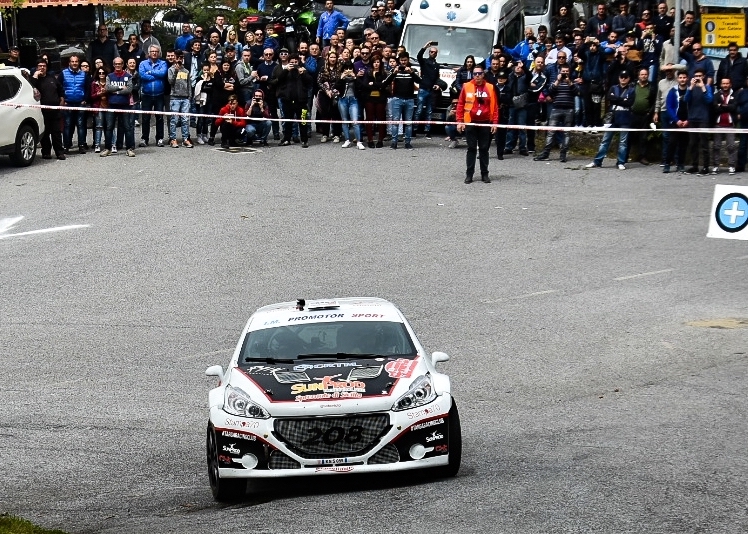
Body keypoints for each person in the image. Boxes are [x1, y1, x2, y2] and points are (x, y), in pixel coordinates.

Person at [456, 65, 498, 184]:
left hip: (485, 123)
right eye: (475, 74)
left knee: (484, 149)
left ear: (483, 74)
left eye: (479, 73)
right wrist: (459, 121)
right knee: (471, 148)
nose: (477, 76)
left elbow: (495, 107)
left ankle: (485, 174)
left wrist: (494, 123)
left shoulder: (490, 87)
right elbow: (460, 105)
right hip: (470, 122)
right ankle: (469, 174)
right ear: (472, 75)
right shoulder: (466, 86)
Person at [585, 70, 635, 170]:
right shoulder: (613, 87)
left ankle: (621, 162)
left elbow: (629, 103)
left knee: (623, 143)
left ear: (629, 78)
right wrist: (622, 100)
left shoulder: (632, 90)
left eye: (626, 77)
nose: (623, 78)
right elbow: (609, 97)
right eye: (621, 76)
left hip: (625, 119)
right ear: (619, 78)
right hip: (613, 119)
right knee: (605, 141)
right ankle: (597, 161)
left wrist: (616, 99)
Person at [533, 63, 578, 163]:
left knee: (566, 133)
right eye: (563, 72)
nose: (565, 73)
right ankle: (545, 153)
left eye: (567, 72)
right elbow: (549, 91)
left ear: (569, 72)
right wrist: (557, 81)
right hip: (556, 108)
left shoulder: (572, 82)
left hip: (569, 110)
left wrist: (569, 83)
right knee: (550, 132)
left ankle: (563, 154)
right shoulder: (555, 82)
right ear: (560, 72)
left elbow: (576, 92)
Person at [383, 52, 421, 150]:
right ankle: (394, 142)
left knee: (408, 123)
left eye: (405, 60)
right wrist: (393, 73)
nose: (403, 62)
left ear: (408, 60)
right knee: (395, 121)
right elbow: (385, 82)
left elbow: (420, 81)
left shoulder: (413, 70)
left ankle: (408, 142)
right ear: (399, 61)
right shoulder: (394, 70)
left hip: (410, 99)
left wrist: (411, 72)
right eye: (401, 60)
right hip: (397, 99)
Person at [31, 58, 66, 160]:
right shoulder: (34, 80)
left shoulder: (52, 78)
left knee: (56, 133)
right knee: (45, 134)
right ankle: (46, 152)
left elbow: (60, 89)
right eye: (40, 66)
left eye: (44, 66)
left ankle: (59, 152)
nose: (42, 68)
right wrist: (35, 76)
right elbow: (31, 88)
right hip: (42, 112)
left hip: (55, 111)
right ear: (37, 68)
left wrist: (62, 99)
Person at [277, 54, 313, 148]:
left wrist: (304, 73)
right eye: (292, 62)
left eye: (295, 62)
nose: (294, 64)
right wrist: (285, 70)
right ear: (289, 62)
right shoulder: (285, 71)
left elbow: (310, 82)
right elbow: (279, 80)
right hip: (287, 101)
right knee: (288, 121)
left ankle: (304, 140)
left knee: (303, 121)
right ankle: (287, 139)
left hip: (301, 102)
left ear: (299, 62)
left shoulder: (303, 71)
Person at [684, 68, 713, 175]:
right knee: (693, 143)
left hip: (703, 119)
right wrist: (691, 87)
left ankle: (706, 167)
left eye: (700, 76)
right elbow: (686, 100)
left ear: (704, 77)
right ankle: (695, 166)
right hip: (692, 118)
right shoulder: (690, 87)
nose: (698, 78)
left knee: (704, 144)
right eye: (696, 76)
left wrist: (703, 88)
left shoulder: (708, 87)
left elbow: (709, 100)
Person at [59, 55, 90, 154]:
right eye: (72, 61)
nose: (74, 63)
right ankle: (66, 146)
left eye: (76, 61)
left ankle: (81, 145)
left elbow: (87, 88)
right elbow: (59, 87)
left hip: (80, 102)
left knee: (81, 125)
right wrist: (63, 99)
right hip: (68, 103)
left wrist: (85, 99)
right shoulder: (63, 73)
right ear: (69, 63)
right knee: (67, 125)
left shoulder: (83, 74)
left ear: (78, 63)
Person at [138, 45, 168, 147]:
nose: (154, 53)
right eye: (152, 51)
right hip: (147, 95)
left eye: (156, 51)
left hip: (159, 95)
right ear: (149, 53)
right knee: (145, 118)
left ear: (159, 52)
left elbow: (163, 73)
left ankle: (159, 138)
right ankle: (144, 138)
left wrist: (150, 72)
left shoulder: (163, 63)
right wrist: (156, 76)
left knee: (159, 117)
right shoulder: (143, 63)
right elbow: (142, 75)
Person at [105, 57, 135, 157]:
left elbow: (129, 90)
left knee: (127, 127)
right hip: (112, 105)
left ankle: (129, 148)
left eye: (119, 64)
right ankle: (107, 148)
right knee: (109, 127)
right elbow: (108, 88)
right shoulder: (109, 76)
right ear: (113, 65)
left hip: (125, 105)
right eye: (116, 64)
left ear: (123, 65)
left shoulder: (128, 76)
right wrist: (121, 87)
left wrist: (116, 91)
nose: (118, 66)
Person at [627, 67, 656, 165]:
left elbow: (654, 102)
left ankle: (642, 157)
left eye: (645, 74)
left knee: (643, 137)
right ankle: (625, 156)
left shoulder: (651, 87)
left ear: (648, 75)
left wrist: (650, 112)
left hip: (645, 116)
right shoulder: (632, 85)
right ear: (638, 76)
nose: (644, 76)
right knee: (629, 136)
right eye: (642, 74)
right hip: (633, 114)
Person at [663, 71, 690, 173]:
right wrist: (676, 120)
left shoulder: (690, 90)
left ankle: (681, 164)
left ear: (687, 79)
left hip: (687, 122)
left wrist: (688, 120)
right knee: (672, 143)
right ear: (677, 79)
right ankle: (667, 164)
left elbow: (692, 106)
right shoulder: (672, 91)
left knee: (683, 144)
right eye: (680, 77)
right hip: (675, 122)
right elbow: (669, 107)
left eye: (684, 77)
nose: (682, 79)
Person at [335, 61, 365, 150]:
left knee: (355, 121)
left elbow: (362, 87)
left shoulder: (355, 78)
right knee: (344, 121)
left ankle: (359, 141)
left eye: (350, 68)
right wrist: (341, 78)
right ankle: (347, 140)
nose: (348, 70)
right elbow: (336, 87)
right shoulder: (341, 78)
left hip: (353, 100)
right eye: (346, 69)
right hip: (343, 100)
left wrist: (355, 77)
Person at [361, 54, 388, 148]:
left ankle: (380, 139)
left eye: (378, 62)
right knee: (369, 119)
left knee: (381, 118)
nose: (376, 64)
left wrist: (374, 84)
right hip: (369, 98)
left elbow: (384, 86)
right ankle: (370, 139)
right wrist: (377, 85)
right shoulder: (368, 72)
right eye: (374, 62)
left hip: (380, 99)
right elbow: (365, 85)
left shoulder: (384, 73)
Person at [167, 51, 193, 148]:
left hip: (185, 98)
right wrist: (176, 71)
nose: (179, 59)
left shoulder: (186, 71)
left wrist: (189, 97)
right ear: (174, 58)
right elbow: (170, 82)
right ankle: (173, 139)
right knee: (174, 119)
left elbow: (189, 85)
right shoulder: (171, 69)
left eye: (181, 57)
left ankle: (185, 138)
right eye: (177, 57)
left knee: (185, 119)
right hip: (175, 98)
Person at [711, 78, 737, 175]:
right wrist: (727, 106)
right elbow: (715, 108)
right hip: (718, 124)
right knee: (716, 146)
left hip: (730, 125)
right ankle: (716, 166)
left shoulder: (734, 95)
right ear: (721, 84)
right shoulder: (716, 95)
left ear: (730, 84)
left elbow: (734, 107)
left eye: (727, 83)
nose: (725, 85)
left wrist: (721, 105)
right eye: (723, 83)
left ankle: (731, 166)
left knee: (731, 146)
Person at [416, 41, 440, 139]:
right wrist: (425, 46)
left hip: (431, 90)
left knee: (429, 111)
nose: (433, 53)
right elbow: (419, 56)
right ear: (429, 52)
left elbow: (437, 77)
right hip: (423, 89)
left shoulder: (437, 65)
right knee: (419, 110)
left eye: (434, 52)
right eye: (431, 52)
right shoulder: (424, 62)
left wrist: (437, 85)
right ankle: (414, 129)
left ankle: (427, 130)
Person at [90, 65, 113, 154]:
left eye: (103, 73)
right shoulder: (94, 83)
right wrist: (98, 94)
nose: (101, 74)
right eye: (99, 73)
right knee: (98, 126)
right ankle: (97, 144)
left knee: (110, 126)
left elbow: (113, 93)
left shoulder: (109, 83)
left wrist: (106, 92)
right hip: (98, 106)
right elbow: (91, 96)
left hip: (109, 105)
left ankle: (111, 144)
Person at [194, 64, 215, 144]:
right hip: (201, 101)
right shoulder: (199, 79)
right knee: (201, 119)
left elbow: (212, 88)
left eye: (207, 70)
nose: (206, 71)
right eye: (204, 70)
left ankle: (204, 134)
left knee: (207, 118)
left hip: (209, 100)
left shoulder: (212, 79)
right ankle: (199, 136)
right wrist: (204, 80)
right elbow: (200, 89)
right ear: (202, 70)